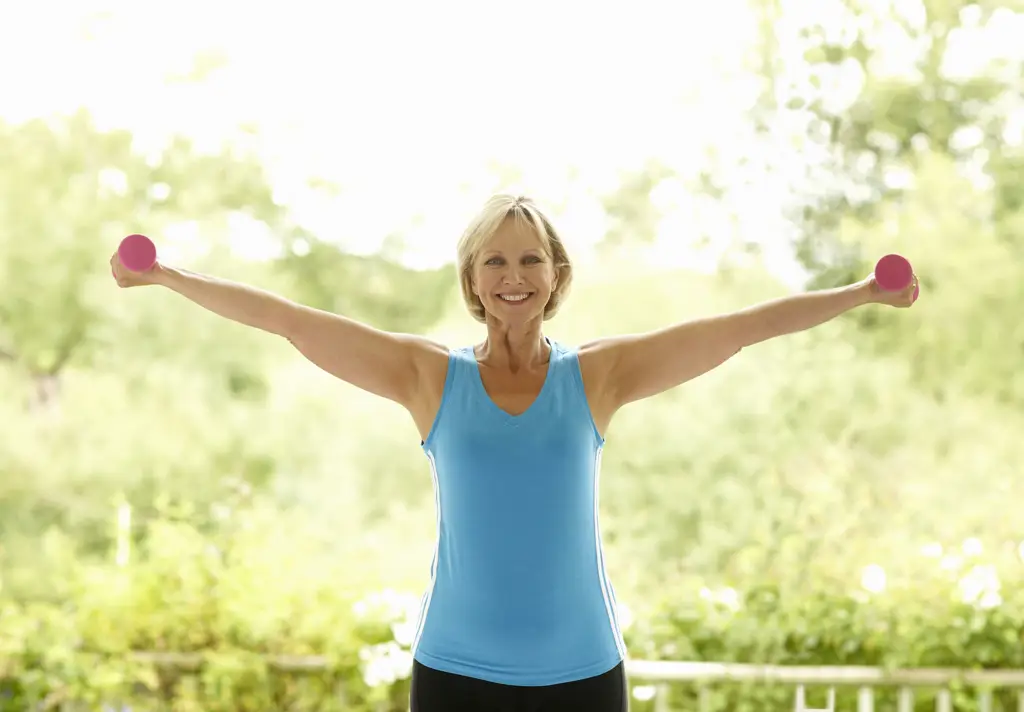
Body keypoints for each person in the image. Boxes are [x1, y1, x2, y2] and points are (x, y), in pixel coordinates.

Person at [110, 194, 918, 712]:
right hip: (457, 672)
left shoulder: (598, 377)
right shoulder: (427, 378)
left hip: (582, 675)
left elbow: (740, 328)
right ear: (472, 278)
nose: (513, 274)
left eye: (530, 257)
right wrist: (165, 275)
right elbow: (289, 319)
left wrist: (865, 294)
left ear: (556, 274)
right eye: (494, 259)